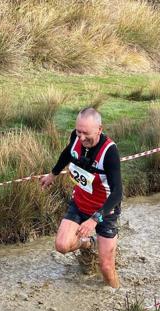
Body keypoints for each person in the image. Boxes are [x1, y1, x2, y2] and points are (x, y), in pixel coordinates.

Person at [40, 108, 122, 288]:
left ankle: (119, 302)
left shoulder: (109, 152)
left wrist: (95, 219)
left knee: (106, 268)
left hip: (105, 211)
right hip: (79, 204)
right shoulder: (76, 137)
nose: (82, 138)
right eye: (79, 132)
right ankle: (89, 244)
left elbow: (118, 193)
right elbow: (67, 153)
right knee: (62, 245)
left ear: (99, 129)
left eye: (86, 133)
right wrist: (52, 175)